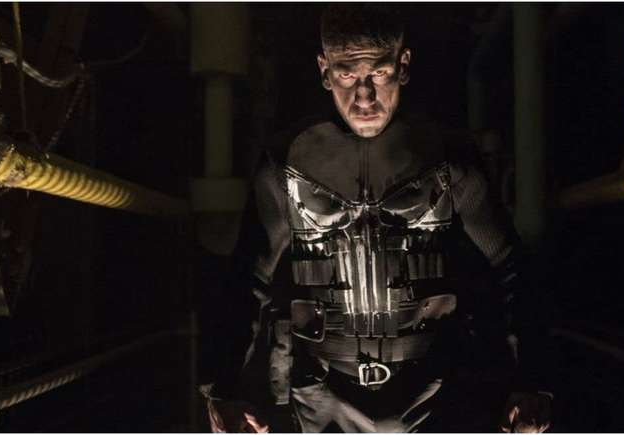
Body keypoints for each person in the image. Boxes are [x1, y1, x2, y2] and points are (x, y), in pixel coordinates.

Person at [200, 4, 552, 433]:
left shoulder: (448, 155)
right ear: (325, 70)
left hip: (435, 389)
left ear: (403, 65)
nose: (364, 97)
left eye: (379, 74)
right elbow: (248, 278)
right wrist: (222, 387)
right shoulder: (287, 160)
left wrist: (533, 380)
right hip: (323, 394)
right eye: (347, 75)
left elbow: (509, 265)